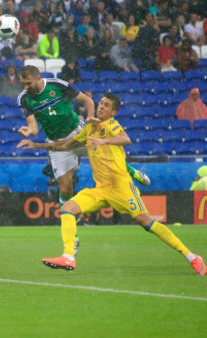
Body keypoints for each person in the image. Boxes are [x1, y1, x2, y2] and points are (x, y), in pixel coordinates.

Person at [18, 93, 206, 275]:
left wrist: (104, 140)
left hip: (121, 187)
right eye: (101, 103)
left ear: (113, 112)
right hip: (101, 189)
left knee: (146, 222)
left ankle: (192, 257)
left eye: (107, 105)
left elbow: (126, 139)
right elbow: (64, 145)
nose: (101, 106)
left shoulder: (112, 125)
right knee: (67, 208)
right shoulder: (88, 128)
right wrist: (38, 146)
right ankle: (68, 256)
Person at [16, 65, 150, 208]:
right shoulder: (23, 99)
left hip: (77, 133)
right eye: (23, 84)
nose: (26, 87)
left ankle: (131, 171)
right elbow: (34, 129)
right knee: (66, 190)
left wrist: (90, 116)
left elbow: (87, 100)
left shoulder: (56, 85)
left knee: (106, 157)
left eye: (28, 83)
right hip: (57, 143)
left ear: (38, 78)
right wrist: (29, 131)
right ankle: (69, 221)